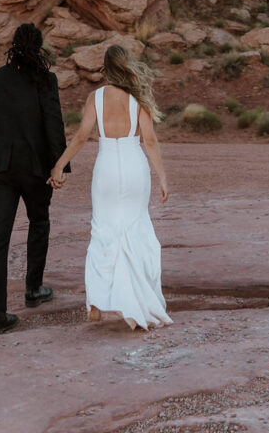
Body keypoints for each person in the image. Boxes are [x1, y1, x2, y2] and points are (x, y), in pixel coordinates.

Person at [48, 44, 172, 330]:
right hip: (134, 168)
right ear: (126, 66)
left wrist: (59, 165)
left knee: (103, 230)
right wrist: (163, 177)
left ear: (105, 69)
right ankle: (140, 298)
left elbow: (80, 137)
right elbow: (150, 141)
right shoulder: (137, 98)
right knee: (135, 227)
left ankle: (95, 303)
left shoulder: (96, 97)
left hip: (106, 170)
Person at [0, 23, 70, 336]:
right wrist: (59, 166)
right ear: (39, 47)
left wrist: (2, 151)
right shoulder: (45, 80)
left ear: (13, 45)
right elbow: (54, 126)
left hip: (0, 169)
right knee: (39, 223)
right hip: (34, 168)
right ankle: (33, 289)